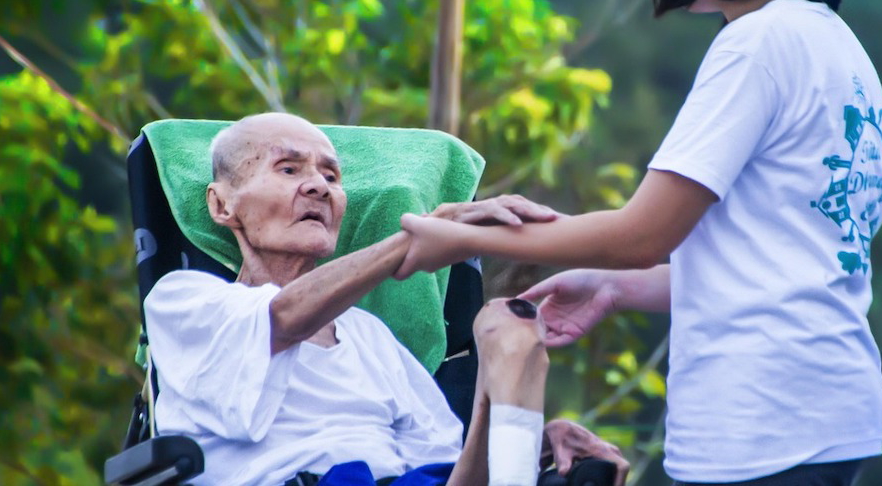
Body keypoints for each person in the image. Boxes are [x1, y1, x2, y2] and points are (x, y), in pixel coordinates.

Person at [394, 0, 882, 484]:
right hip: (831, 408)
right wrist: (615, 287)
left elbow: (643, 233)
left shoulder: (757, 45)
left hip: (761, 418)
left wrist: (464, 239)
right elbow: (775, 263)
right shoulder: (840, 48)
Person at [143, 113, 629, 486]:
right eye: (288, 168)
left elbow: (448, 468)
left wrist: (529, 442)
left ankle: (512, 416)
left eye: (332, 178)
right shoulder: (185, 301)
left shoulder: (370, 337)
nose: (319, 186)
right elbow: (282, 317)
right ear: (221, 204)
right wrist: (425, 232)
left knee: (506, 327)